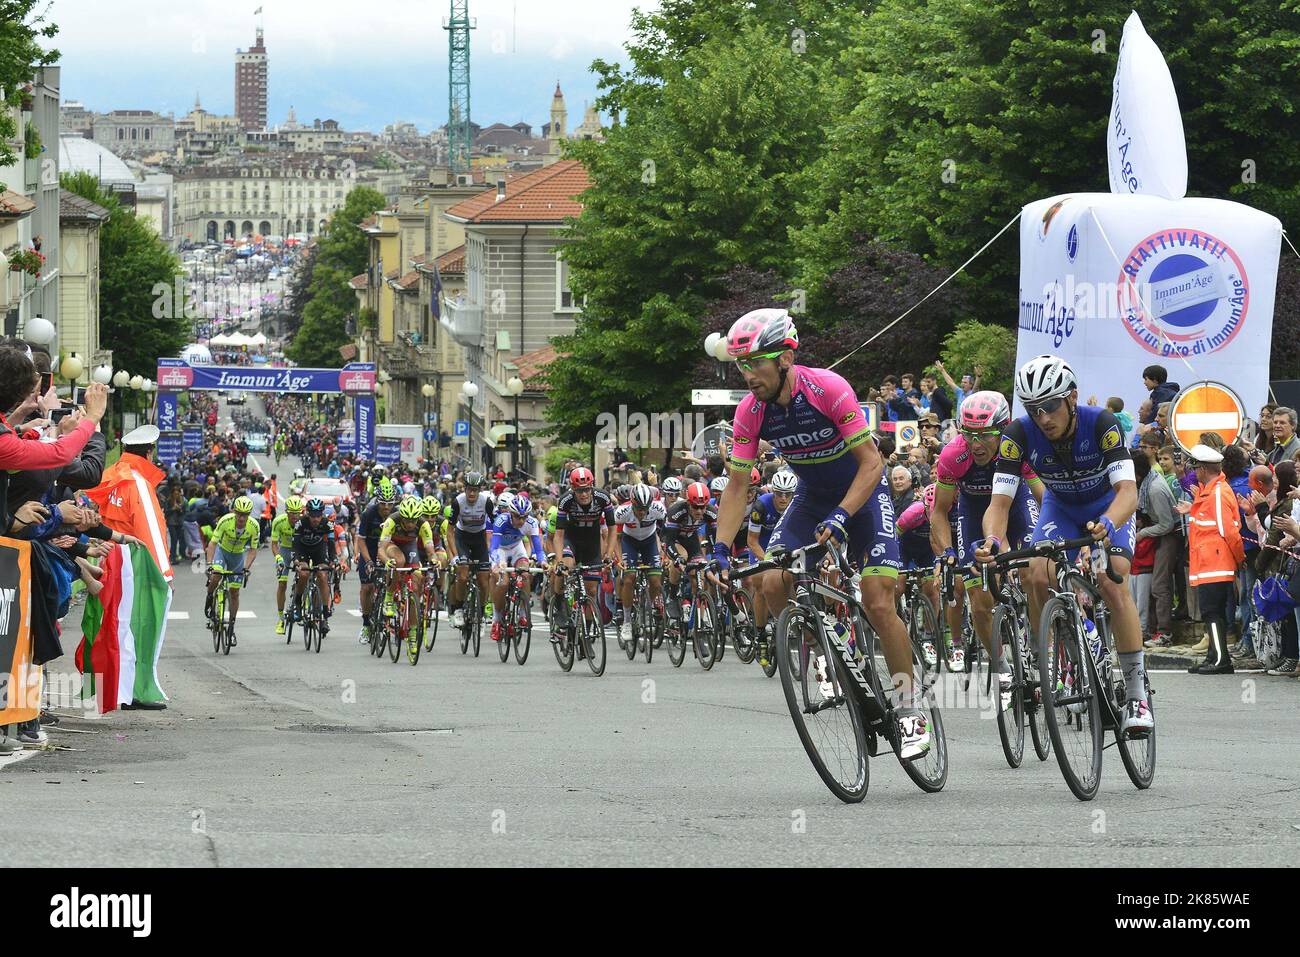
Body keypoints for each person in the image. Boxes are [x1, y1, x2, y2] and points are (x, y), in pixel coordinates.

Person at [712, 308, 930, 758]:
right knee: (772, 579)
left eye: (756, 363)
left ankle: (911, 706)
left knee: (877, 598)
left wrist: (842, 516)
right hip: (812, 496)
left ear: (785, 358)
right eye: (741, 365)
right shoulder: (750, 412)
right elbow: (737, 484)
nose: (748, 374)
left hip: (863, 495)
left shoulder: (827, 389)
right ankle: (832, 651)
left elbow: (872, 463)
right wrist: (717, 547)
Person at [978, 354, 1153, 737]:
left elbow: (1126, 489)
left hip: (1107, 506)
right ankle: (1060, 651)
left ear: (1072, 398)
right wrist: (992, 540)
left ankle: (1137, 695)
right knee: (1035, 573)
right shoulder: (1018, 435)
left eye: (1050, 406)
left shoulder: (1102, 423)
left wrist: (1109, 523)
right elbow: (999, 504)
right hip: (1060, 506)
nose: (1043, 418)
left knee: (1113, 578)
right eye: (1033, 409)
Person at [1176, 444, 1244, 674]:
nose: (1194, 472)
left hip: (1215, 563)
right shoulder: (1211, 491)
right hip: (1209, 562)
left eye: (1196, 467)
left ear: (1204, 469)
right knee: (1211, 612)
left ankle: (1220, 660)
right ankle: (1213, 655)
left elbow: (1229, 531)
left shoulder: (1217, 492)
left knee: (1212, 612)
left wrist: (1239, 558)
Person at [205, 495, 259, 644]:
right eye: (239, 514)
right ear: (234, 511)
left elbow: (253, 550)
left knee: (235, 592)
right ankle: (210, 597)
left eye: (245, 515)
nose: (241, 518)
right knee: (216, 576)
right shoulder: (225, 521)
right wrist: (210, 564)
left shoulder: (254, 526)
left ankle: (231, 629)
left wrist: (246, 568)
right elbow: (212, 544)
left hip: (237, 556)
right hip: (222, 552)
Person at [270, 496, 305, 635]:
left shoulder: (303, 522)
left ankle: (301, 603)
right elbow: (274, 544)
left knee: (305, 575)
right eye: (292, 513)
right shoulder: (278, 522)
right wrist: (278, 558)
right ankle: (280, 619)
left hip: (300, 549)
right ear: (286, 512)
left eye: (298, 513)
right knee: (282, 584)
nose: (295, 516)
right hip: (284, 549)